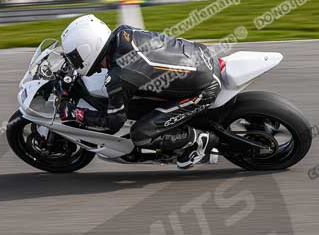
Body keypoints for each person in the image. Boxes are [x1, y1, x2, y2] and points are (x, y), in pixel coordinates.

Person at [59, 14, 222, 168]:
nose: (73, 62)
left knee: (140, 134)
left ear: (88, 51)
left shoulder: (119, 76)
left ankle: (198, 139)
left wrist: (77, 114)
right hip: (202, 54)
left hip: (204, 87)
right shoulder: (122, 33)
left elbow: (114, 122)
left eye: (74, 58)